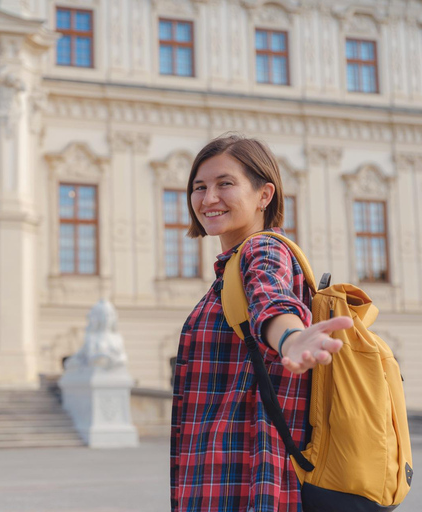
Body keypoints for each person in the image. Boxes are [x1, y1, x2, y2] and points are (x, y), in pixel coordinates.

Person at [170, 135, 353, 512]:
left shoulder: (262, 249)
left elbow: (269, 298)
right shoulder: (232, 269)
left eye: (225, 183)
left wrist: (291, 338)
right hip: (227, 473)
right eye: (199, 187)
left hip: (248, 478)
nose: (208, 199)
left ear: (264, 195)